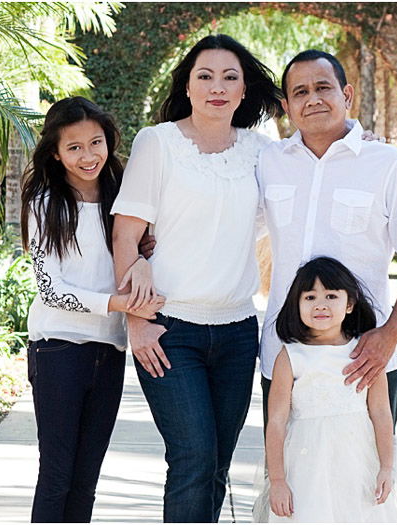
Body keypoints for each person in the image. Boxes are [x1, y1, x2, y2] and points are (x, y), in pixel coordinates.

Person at [110, 35, 282, 523]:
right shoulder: (158, 142)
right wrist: (137, 322)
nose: (217, 87)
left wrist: (359, 136)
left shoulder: (261, 152)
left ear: (245, 89)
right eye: (205, 76)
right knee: (192, 459)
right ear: (187, 86)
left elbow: (315, 174)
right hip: (169, 329)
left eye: (230, 77)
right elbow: (126, 236)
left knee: (217, 465)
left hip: (236, 331)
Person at [257, 50, 397, 429]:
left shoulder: (388, 164)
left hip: (365, 358)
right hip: (285, 357)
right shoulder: (267, 163)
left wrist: (390, 335)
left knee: (368, 482)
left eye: (323, 87)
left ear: (347, 95)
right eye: (300, 92)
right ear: (287, 106)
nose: (313, 99)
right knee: (289, 480)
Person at [20, 96, 164, 523]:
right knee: (58, 475)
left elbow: (137, 255)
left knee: (86, 479)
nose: (88, 156)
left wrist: (147, 251)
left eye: (95, 143)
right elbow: (50, 290)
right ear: (55, 152)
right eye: (75, 147)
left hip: (109, 350)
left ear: (109, 141)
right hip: (58, 349)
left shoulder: (122, 199)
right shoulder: (45, 202)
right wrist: (117, 304)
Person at [258, 257, 397, 523]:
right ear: (296, 305)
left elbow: (380, 412)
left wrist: (386, 468)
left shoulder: (365, 354)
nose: (320, 304)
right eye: (309, 297)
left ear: (350, 304)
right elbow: (275, 421)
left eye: (331, 295)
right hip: (306, 468)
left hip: (358, 466)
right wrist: (277, 480)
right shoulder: (290, 357)